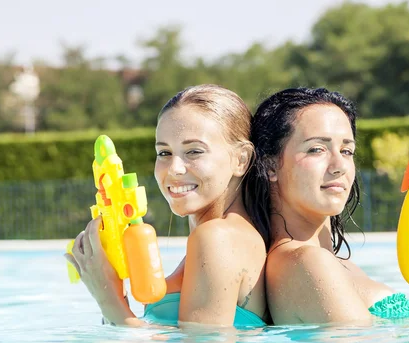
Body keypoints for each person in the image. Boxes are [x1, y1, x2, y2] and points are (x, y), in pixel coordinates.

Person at [242, 87, 409, 325]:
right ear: (271, 166)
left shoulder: (331, 263)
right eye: (316, 149)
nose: (339, 165)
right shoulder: (306, 262)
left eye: (347, 150)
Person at [64, 84, 268, 328]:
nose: (174, 169)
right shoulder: (225, 236)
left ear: (241, 159)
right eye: (164, 153)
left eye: (193, 151)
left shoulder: (217, 238)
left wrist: (107, 295)